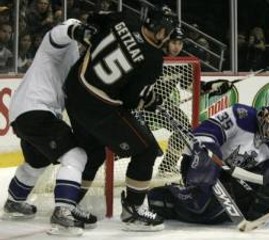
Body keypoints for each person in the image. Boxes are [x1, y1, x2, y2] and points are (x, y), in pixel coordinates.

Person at [63, 5, 177, 232]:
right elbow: (130, 101)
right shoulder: (153, 59)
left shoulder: (124, 18)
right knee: (146, 149)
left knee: (93, 152)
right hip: (98, 108)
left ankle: (66, 205)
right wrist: (149, 101)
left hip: (73, 91)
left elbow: (93, 18)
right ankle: (133, 211)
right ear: (161, 31)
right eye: (168, 31)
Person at [2, 19, 98, 236]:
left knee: (38, 161)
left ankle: (14, 202)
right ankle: (63, 212)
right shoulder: (57, 45)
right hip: (37, 110)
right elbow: (60, 33)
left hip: (25, 113)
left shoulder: (76, 60)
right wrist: (78, 30)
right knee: (75, 155)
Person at [147, 103, 269, 228]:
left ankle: (256, 203)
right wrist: (212, 153)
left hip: (227, 179)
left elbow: (262, 175)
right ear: (262, 117)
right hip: (200, 164)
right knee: (200, 207)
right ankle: (164, 195)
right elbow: (205, 133)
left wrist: (266, 195)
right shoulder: (241, 115)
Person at [140, 27, 191, 176]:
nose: (177, 47)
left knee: (184, 128)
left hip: (161, 104)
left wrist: (210, 88)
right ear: (167, 42)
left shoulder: (184, 62)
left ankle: (167, 166)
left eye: (180, 43)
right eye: (174, 42)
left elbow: (188, 86)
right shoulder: (155, 56)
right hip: (141, 102)